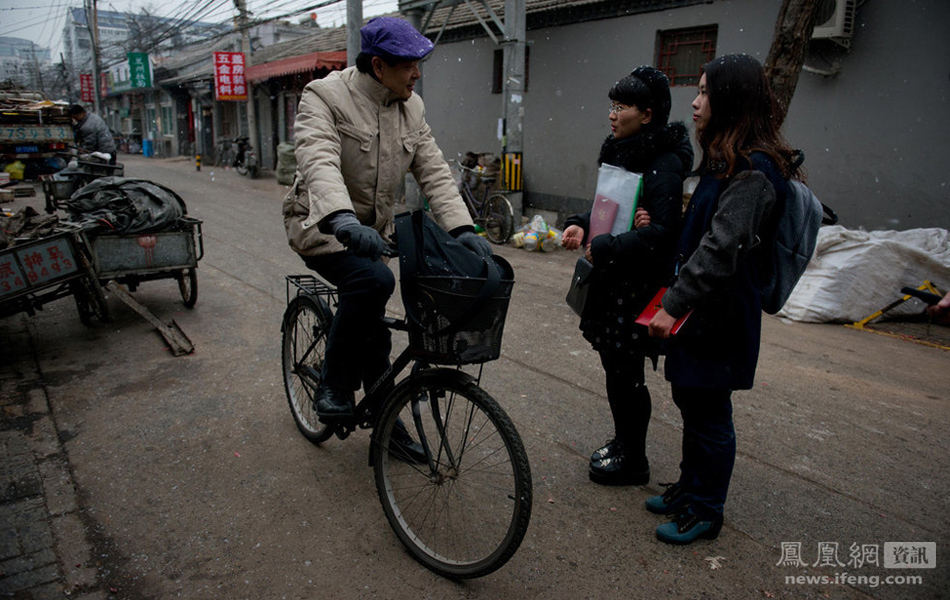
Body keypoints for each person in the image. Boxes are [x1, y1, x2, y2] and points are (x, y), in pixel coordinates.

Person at [282, 17, 491, 423]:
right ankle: (334, 385)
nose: (417, 74)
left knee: (376, 334)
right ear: (378, 66)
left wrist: (464, 229)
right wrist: (341, 219)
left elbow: (433, 171)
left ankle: (385, 424)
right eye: (408, 65)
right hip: (320, 224)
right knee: (373, 281)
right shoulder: (324, 96)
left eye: (419, 64)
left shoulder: (412, 107)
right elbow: (318, 159)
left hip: (372, 234)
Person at [643, 54, 801, 544]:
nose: (695, 101)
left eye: (707, 92)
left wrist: (673, 304)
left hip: (721, 314)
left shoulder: (753, 172)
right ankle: (689, 488)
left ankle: (706, 509)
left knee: (709, 412)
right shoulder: (725, 160)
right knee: (692, 398)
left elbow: (719, 249)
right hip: (705, 310)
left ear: (730, 101)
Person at [560, 67, 693, 486]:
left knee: (627, 375)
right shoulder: (622, 150)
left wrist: (608, 248)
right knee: (616, 372)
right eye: (611, 106)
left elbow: (664, 234)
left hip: (634, 289)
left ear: (648, 115)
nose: (612, 115)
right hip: (612, 281)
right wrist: (582, 223)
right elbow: (606, 207)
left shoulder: (664, 164)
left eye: (621, 107)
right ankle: (623, 443)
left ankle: (634, 458)